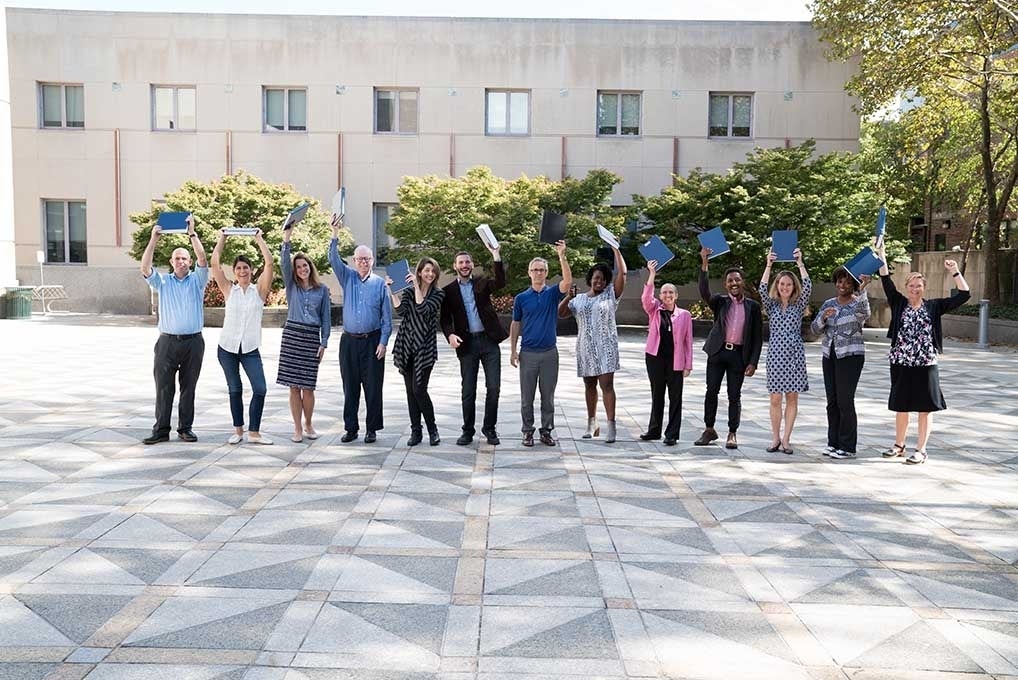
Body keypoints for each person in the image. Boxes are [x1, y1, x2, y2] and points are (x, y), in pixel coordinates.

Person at [875, 244, 970, 464]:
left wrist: (955, 271)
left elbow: (964, 295)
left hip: (926, 363)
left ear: (924, 288)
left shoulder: (934, 306)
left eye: (918, 286)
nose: (914, 289)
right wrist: (881, 256)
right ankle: (899, 446)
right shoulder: (899, 303)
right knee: (901, 405)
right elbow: (886, 280)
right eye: (911, 285)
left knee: (925, 408)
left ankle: (921, 450)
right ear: (906, 286)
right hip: (900, 362)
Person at [139, 215, 209, 444]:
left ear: (189, 262)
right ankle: (161, 430)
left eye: (184, 258)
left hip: (193, 342)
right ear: (171, 262)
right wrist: (153, 239)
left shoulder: (197, 281)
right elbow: (145, 267)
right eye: (177, 258)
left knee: (189, 387)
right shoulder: (162, 281)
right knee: (163, 388)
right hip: (167, 342)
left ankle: (185, 428)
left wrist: (192, 233)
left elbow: (203, 257)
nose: (181, 261)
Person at [329, 218, 392, 444]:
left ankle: (372, 429)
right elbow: (332, 259)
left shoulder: (380, 285)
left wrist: (383, 342)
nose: (363, 262)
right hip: (349, 342)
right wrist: (335, 233)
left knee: (373, 387)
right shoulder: (348, 277)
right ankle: (351, 428)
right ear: (354, 261)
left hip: (372, 340)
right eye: (359, 259)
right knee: (350, 386)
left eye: (367, 258)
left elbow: (387, 318)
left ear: (372, 260)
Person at [210, 229, 274, 445]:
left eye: (246, 267)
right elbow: (215, 264)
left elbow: (270, 264)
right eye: (238, 268)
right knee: (235, 389)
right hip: (227, 348)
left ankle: (254, 432)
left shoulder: (260, 291)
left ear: (251, 270)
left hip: (250, 349)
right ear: (234, 271)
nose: (242, 271)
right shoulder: (229, 290)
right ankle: (238, 431)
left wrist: (259, 238)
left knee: (260, 388)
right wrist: (222, 238)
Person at [695, 246, 763, 450]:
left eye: (737, 280)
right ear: (726, 285)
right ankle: (709, 429)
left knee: (734, 395)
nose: (734, 283)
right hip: (717, 352)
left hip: (738, 356)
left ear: (742, 282)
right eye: (730, 281)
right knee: (711, 391)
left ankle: (732, 432)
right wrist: (705, 263)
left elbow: (758, 338)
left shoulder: (753, 307)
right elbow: (704, 291)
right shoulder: (720, 302)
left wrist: (753, 362)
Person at [440, 246, 508, 446]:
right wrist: (450, 334)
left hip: (489, 341)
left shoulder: (482, 283)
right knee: (468, 390)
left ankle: (489, 428)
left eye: (467, 262)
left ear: (472, 265)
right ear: (455, 266)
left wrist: (496, 255)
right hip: (466, 344)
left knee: (494, 387)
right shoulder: (448, 291)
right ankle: (467, 430)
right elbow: (445, 320)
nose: (464, 265)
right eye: (461, 262)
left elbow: (501, 282)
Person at [557, 245, 627, 442]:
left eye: (603, 279)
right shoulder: (578, 299)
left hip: (606, 348)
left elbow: (623, 273)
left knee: (607, 385)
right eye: (596, 278)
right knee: (589, 386)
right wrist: (567, 297)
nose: (599, 281)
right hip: (585, 348)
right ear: (590, 279)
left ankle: (611, 426)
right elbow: (560, 314)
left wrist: (616, 251)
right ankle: (591, 422)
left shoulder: (611, 295)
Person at [509, 241, 572, 447]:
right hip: (528, 353)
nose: (538, 273)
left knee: (548, 397)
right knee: (527, 398)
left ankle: (546, 430)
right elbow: (515, 324)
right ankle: (527, 431)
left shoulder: (552, 293)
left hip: (549, 353)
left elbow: (568, 282)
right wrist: (512, 351)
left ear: (546, 273)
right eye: (535, 270)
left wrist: (562, 255)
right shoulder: (521, 298)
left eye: (542, 270)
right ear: (529, 272)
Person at [277, 227, 332, 443]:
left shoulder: (322, 290)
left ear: (310, 267)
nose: (302, 269)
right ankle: (297, 428)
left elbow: (326, 319)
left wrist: (324, 342)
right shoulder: (292, 287)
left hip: (311, 339)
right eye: (298, 266)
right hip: (292, 336)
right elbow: (283, 262)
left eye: (305, 265)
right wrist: (286, 238)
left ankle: (309, 424)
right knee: (294, 387)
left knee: (308, 388)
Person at [810, 267, 871, 459]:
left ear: (852, 284)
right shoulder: (828, 304)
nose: (842, 285)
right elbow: (814, 329)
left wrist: (863, 290)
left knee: (845, 401)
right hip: (830, 355)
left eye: (846, 282)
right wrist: (823, 317)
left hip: (851, 356)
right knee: (832, 402)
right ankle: (833, 442)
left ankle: (848, 447)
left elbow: (865, 313)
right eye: (839, 281)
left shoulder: (857, 304)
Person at [758, 248, 812, 454]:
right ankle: (775, 438)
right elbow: (762, 287)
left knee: (791, 397)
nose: (785, 287)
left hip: (794, 356)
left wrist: (800, 263)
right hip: (775, 356)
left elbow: (808, 285)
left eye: (788, 284)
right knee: (774, 398)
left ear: (793, 287)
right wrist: (769, 264)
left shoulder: (798, 305)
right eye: (782, 284)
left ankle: (787, 439)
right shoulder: (771, 306)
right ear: (777, 286)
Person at [390, 258, 445, 446]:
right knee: (410, 391)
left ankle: (432, 430)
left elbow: (422, 308)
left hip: (425, 348)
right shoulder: (407, 292)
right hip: (406, 345)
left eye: (433, 271)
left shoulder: (438, 294)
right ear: (419, 272)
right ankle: (416, 431)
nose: (430, 274)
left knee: (419, 389)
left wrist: (415, 286)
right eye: (427, 270)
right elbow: (401, 311)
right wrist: (391, 291)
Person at [640, 259, 693, 446]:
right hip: (655, 358)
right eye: (664, 292)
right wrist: (652, 274)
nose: (668, 295)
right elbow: (646, 298)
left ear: (676, 295)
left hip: (675, 361)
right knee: (657, 394)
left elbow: (688, 342)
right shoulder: (654, 310)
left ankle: (672, 433)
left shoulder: (685, 315)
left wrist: (688, 365)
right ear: (660, 295)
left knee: (675, 397)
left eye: (671, 292)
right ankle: (654, 430)